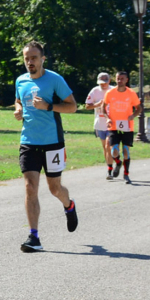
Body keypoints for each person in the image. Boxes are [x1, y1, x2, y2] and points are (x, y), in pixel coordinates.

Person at [13, 41, 78, 252]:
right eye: (26, 58)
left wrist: (48, 106)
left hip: (52, 142)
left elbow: (73, 107)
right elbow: (19, 100)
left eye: (33, 58)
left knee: (55, 188)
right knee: (30, 187)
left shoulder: (55, 80)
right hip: (29, 142)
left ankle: (69, 205)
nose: (29, 62)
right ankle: (34, 237)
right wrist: (18, 109)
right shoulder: (20, 81)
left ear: (42, 59)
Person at [102, 71, 142, 184]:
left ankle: (126, 174)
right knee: (114, 150)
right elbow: (103, 108)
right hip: (113, 125)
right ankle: (118, 163)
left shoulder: (131, 93)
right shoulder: (110, 93)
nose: (120, 81)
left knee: (125, 151)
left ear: (126, 80)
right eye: (118, 78)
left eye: (122, 78)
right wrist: (107, 118)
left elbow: (139, 108)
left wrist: (133, 115)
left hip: (127, 126)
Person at [84, 72, 114, 179]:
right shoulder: (95, 91)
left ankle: (110, 171)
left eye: (105, 83)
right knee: (105, 148)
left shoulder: (114, 90)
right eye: (101, 83)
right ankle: (109, 166)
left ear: (109, 81)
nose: (103, 85)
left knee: (108, 145)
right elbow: (87, 106)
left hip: (111, 124)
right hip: (99, 124)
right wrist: (98, 104)